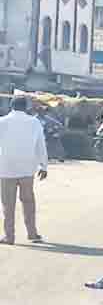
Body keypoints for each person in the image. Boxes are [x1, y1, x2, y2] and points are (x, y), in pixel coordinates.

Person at [0, 96, 48, 244]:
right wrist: (43, 165)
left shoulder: (2, 122)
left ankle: (9, 236)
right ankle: (32, 233)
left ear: (11, 106)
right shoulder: (34, 122)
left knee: (8, 204)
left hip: (6, 168)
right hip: (27, 168)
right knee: (28, 201)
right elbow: (41, 145)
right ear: (26, 107)